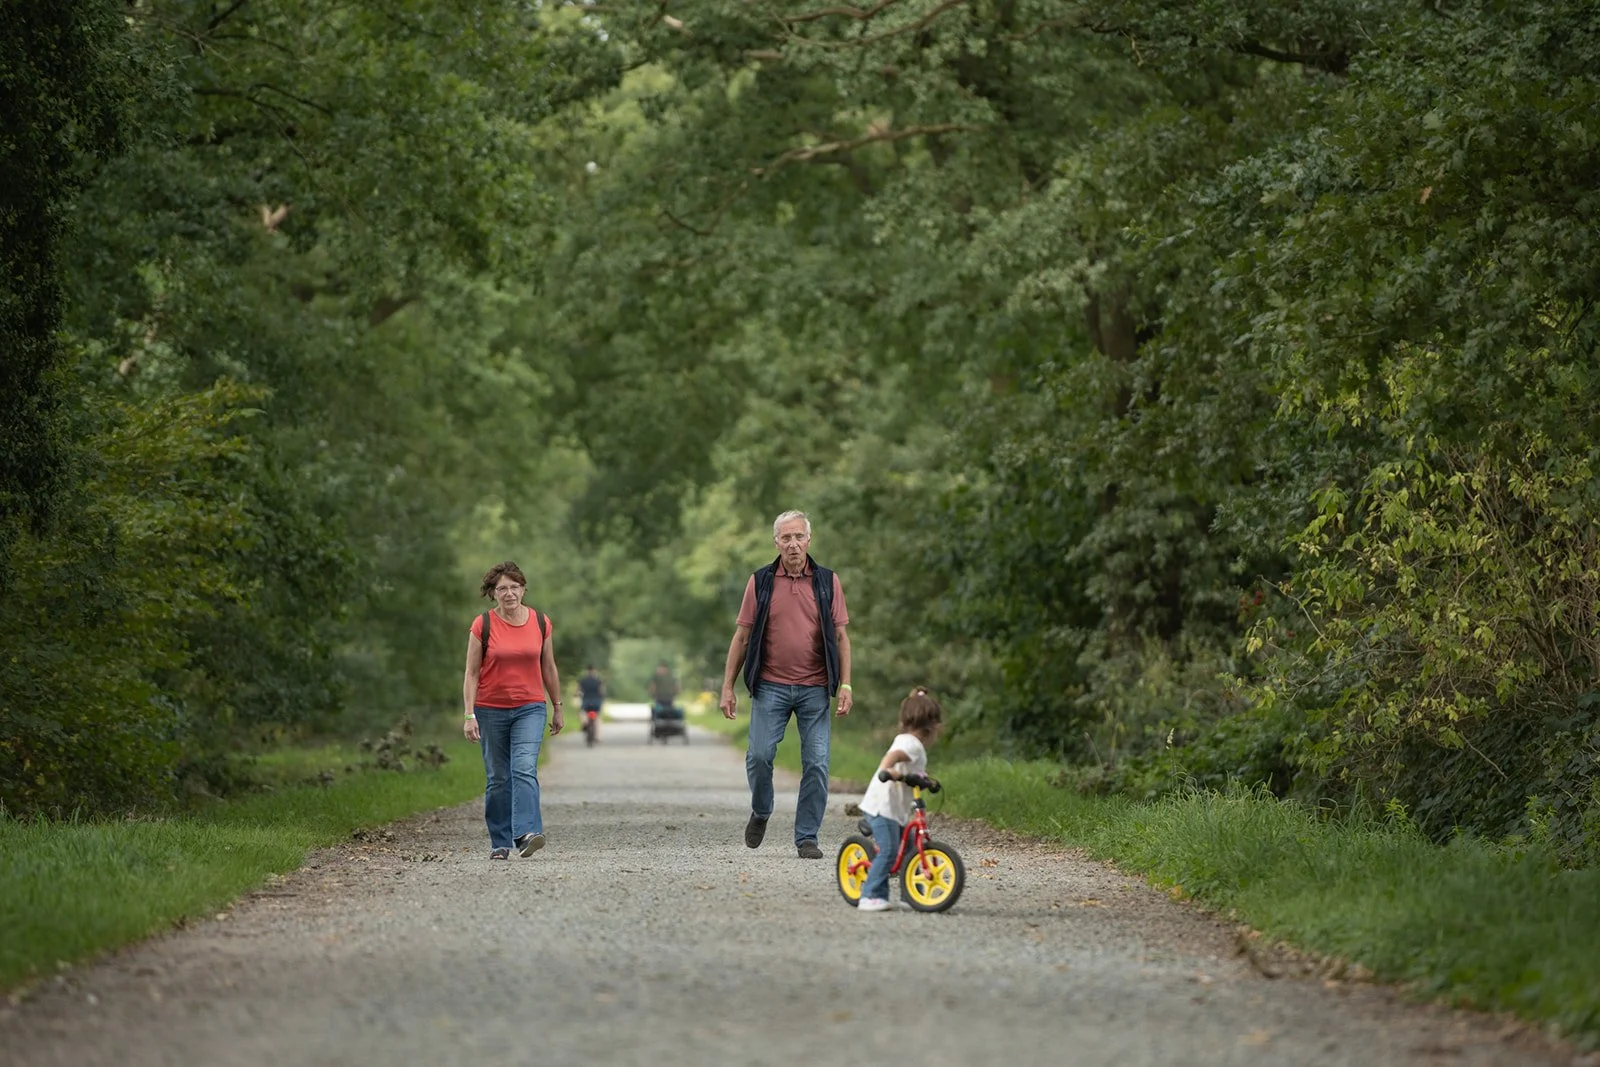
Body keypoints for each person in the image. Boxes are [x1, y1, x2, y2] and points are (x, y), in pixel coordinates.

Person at [719, 509, 852, 859]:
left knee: (818, 763)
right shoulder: (760, 581)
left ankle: (807, 836)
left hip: (815, 687)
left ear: (809, 540)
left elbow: (840, 637)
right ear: (776, 542)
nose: (793, 544)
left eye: (798, 537)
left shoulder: (827, 582)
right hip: (770, 685)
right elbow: (743, 636)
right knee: (759, 756)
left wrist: (847, 685)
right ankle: (762, 810)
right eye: (786, 538)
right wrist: (727, 686)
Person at [462, 561, 563, 860]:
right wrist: (469, 715)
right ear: (493, 593)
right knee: (498, 777)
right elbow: (471, 674)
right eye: (502, 588)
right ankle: (500, 841)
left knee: (523, 767)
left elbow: (548, 666)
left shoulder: (541, 622)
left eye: (514, 587)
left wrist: (557, 706)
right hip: (490, 709)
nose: (509, 593)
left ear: (524, 589)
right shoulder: (483, 625)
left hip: (530, 707)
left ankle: (527, 833)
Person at [855, 687, 943, 912]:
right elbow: (892, 757)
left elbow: (912, 771)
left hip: (896, 809)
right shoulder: (911, 743)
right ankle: (870, 895)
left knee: (913, 847)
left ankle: (911, 894)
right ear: (931, 727)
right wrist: (887, 770)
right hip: (883, 808)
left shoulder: (913, 743)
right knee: (890, 851)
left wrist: (926, 781)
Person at [578, 664, 606, 741]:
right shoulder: (598, 681)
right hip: (596, 701)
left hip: (586, 700)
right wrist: (602, 697)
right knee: (598, 717)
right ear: (594, 671)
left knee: (582, 712)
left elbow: (579, 691)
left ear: (587, 671)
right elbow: (602, 691)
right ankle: (597, 736)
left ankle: (585, 723)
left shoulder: (583, 681)